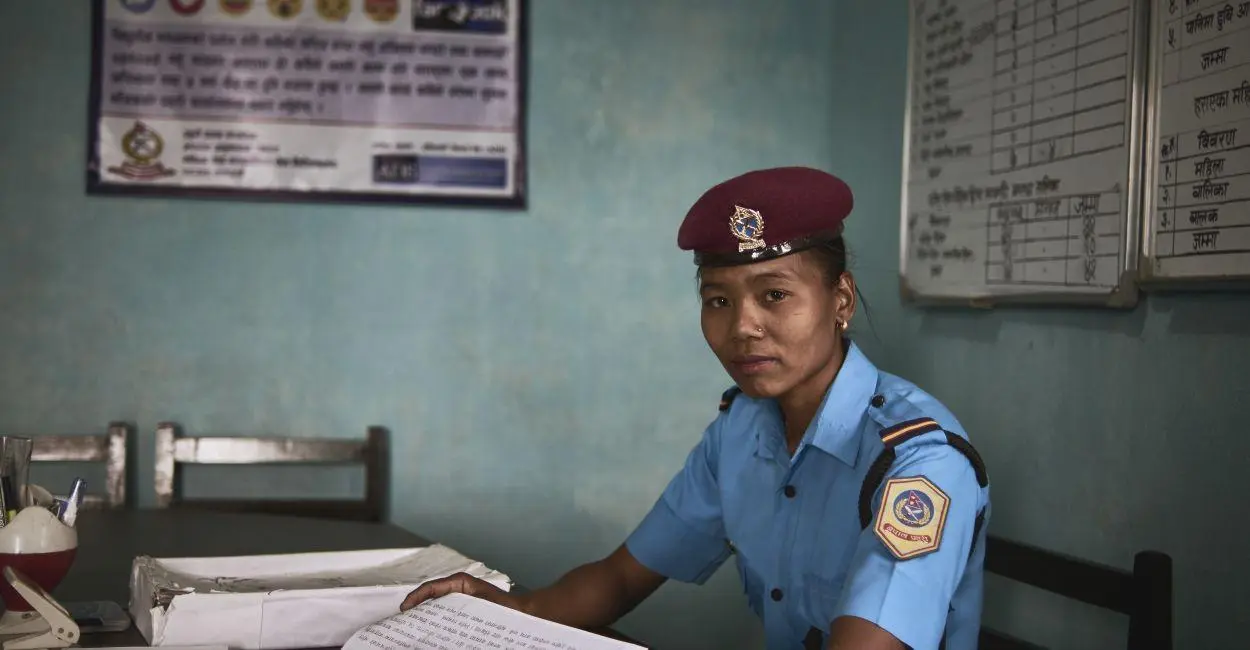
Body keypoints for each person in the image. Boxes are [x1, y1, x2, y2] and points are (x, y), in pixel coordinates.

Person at [401, 167, 991, 650]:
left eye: (775, 295)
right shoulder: (742, 432)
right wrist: (511, 608)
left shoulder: (917, 461)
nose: (743, 328)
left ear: (840, 298)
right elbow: (622, 577)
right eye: (717, 300)